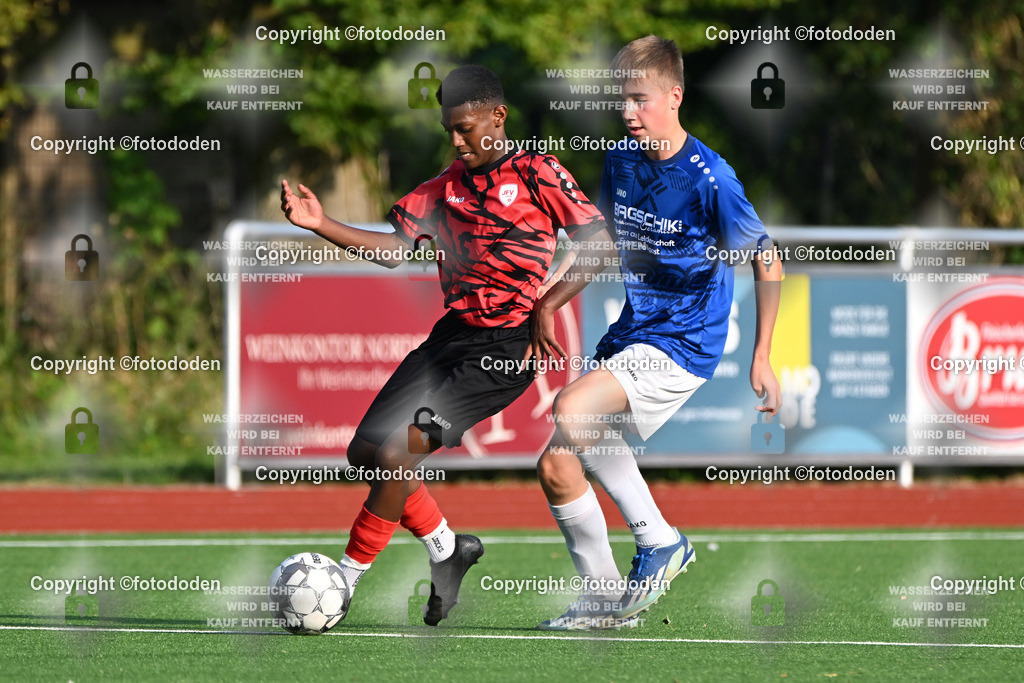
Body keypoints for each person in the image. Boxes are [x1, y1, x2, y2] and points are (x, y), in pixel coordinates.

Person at [280, 65, 607, 626]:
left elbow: (600, 243)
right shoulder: (445, 187)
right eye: (448, 130)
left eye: (465, 128)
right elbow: (393, 249)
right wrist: (320, 223)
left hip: (503, 355)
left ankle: (344, 581)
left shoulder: (537, 170)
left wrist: (548, 304)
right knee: (365, 452)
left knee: (397, 454)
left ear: (497, 117)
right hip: (451, 339)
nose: (456, 140)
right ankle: (446, 549)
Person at [528, 35, 783, 630]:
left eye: (639, 99)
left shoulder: (711, 177)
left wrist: (763, 356)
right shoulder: (621, 160)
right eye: (622, 99)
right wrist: (548, 301)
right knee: (558, 467)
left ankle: (661, 540)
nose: (627, 111)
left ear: (675, 96)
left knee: (572, 406)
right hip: (637, 329)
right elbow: (604, 245)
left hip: (686, 338)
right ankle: (604, 602)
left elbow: (766, 258)